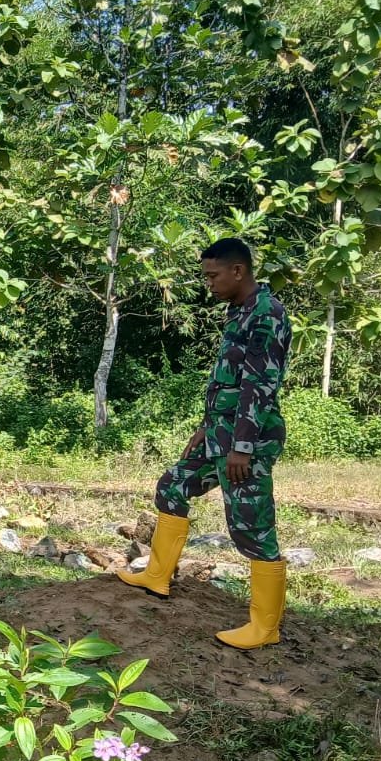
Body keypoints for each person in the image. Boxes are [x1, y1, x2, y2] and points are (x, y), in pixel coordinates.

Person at [119, 237, 291, 648]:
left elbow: (258, 386)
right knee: (172, 486)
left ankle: (265, 627)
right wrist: (207, 425)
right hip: (219, 434)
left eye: (213, 276)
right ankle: (157, 576)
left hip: (247, 442)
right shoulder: (239, 311)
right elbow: (228, 381)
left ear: (238, 271)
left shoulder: (267, 314)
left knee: (251, 526)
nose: (208, 283)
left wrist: (242, 447)